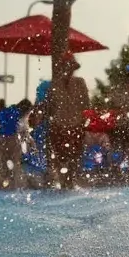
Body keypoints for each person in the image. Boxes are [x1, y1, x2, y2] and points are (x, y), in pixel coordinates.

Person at [46, 54, 90, 189]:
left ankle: (70, 182)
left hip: (75, 125)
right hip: (59, 126)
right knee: (60, 158)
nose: (69, 70)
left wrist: (84, 122)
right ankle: (63, 183)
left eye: (71, 67)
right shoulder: (54, 84)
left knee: (74, 157)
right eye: (67, 66)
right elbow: (50, 107)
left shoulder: (80, 83)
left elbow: (86, 105)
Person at [0, 98, 28, 190]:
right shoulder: (14, 111)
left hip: (3, 139)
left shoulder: (0, 113)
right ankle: (17, 184)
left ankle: (4, 182)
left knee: (3, 161)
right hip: (14, 138)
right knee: (15, 162)